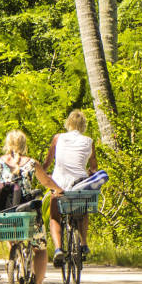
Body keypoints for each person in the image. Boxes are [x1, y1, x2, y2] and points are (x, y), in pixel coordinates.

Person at [0, 130, 65, 284]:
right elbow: (46, 182)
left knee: (12, 232)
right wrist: (59, 190)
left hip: (7, 212)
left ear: (7, 144)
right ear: (24, 145)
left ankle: (16, 259)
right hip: (27, 211)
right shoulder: (32, 163)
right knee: (39, 249)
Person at [43, 109, 98, 266]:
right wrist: (89, 173)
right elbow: (94, 167)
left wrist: (43, 174)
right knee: (83, 209)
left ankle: (58, 249)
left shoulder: (58, 138)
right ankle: (84, 243)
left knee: (55, 217)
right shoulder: (89, 141)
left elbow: (47, 163)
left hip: (59, 185)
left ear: (68, 123)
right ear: (83, 125)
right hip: (79, 184)